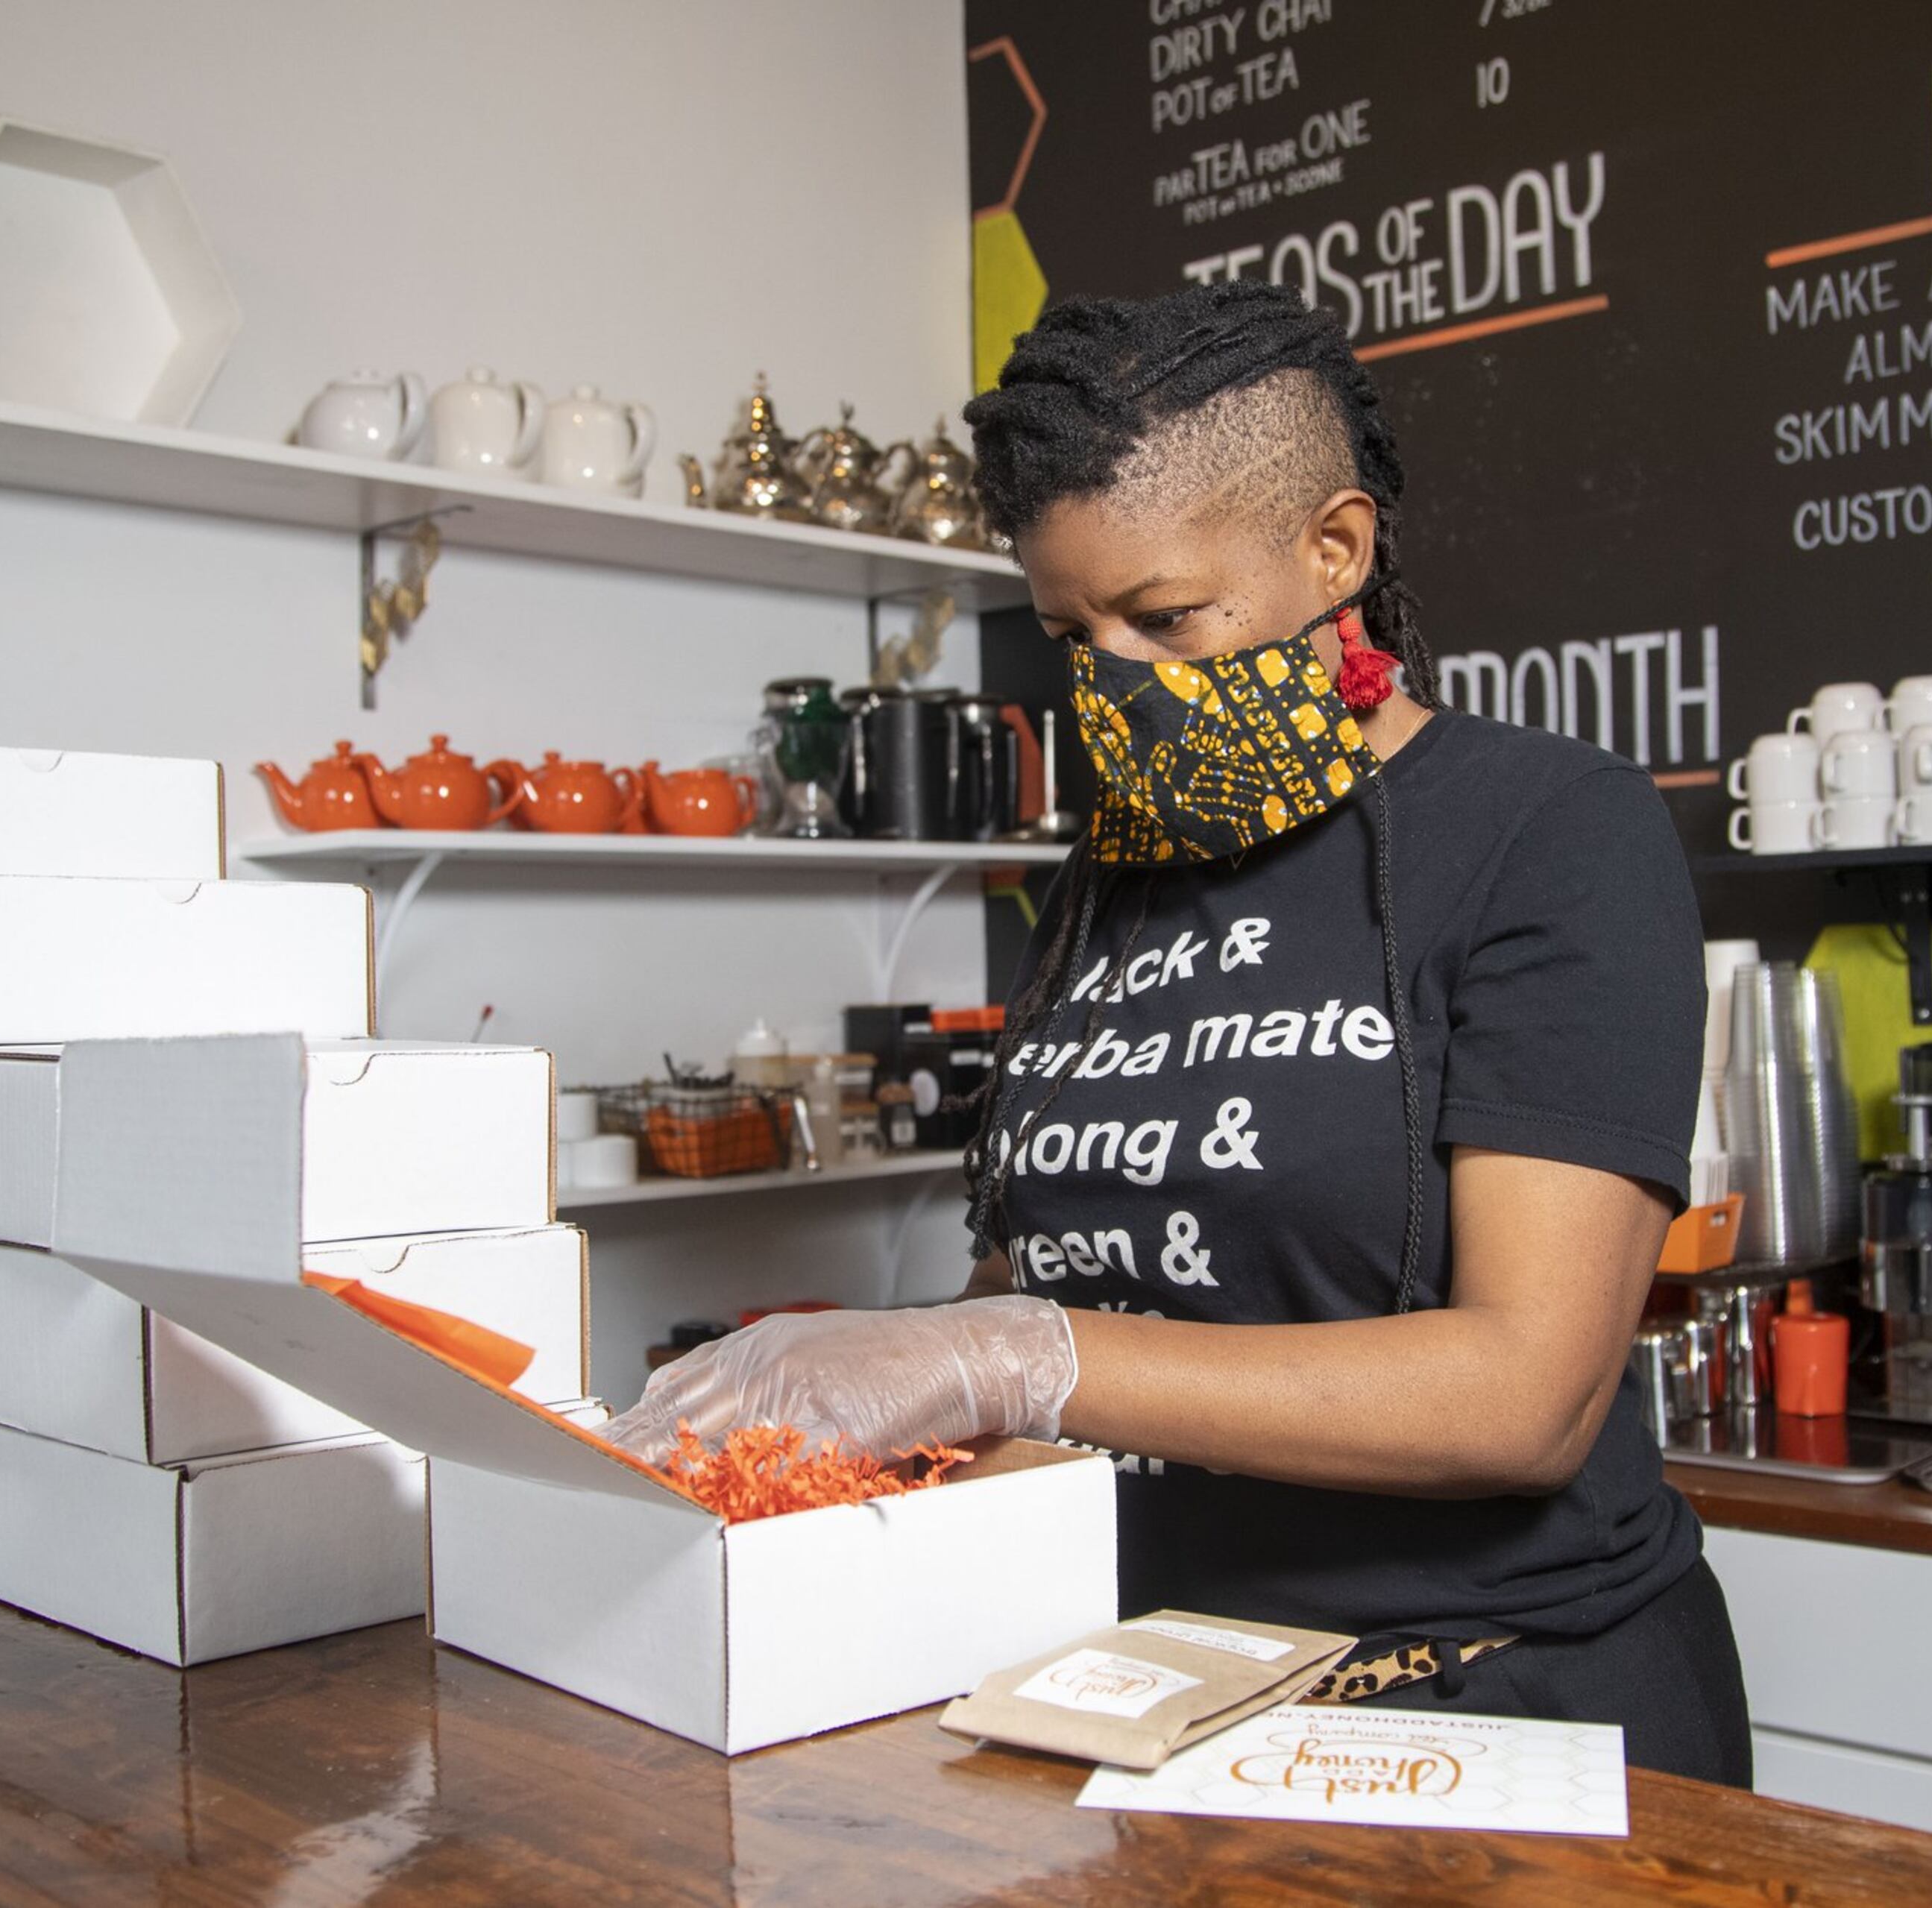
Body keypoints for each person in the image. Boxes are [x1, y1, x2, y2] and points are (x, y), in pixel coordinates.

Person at [602, 281, 1749, 1784]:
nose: (1115, 682)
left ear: (1334, 549)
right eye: (1071, 630)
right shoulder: (1108, 881)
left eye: (1163, 616)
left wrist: (999, 1354)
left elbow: (1526, 1396)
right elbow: (1048, 1287)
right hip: (1149, 1697)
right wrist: (834, 1428)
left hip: (1490, 1703)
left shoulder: (1550, 831)